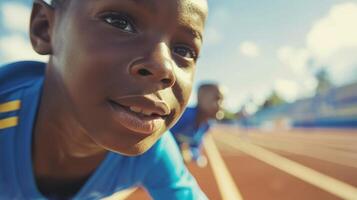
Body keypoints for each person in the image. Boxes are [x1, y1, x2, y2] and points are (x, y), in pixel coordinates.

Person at [0, 0, 209, 199]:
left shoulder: (153, 152)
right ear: (45, 28)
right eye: (119, 22)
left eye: (185, 51)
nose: (163, 67)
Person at [171, 83, 223, 167]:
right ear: (202, 98)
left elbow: (195, 148)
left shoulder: (207, 124)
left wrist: (190, 153)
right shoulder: (181, 116)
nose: (221, 105)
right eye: (217, 99)